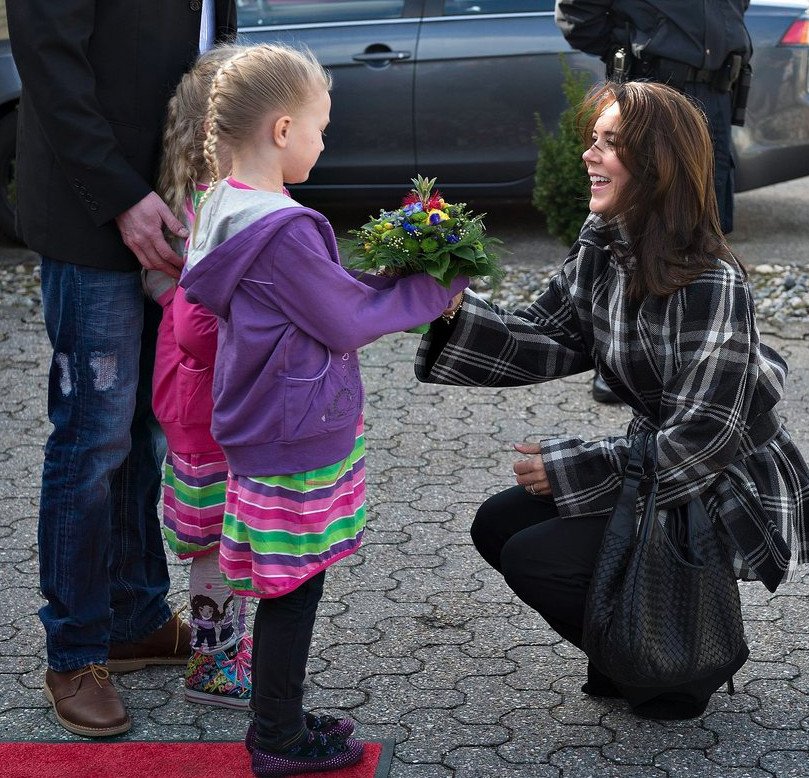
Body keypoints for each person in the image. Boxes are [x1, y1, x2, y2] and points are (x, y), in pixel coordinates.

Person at [415, 80, 809, 720]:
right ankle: (634, 652)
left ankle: (683, 664)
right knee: (497, 524)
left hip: (715, 478)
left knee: (535, 556)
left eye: (610, 143)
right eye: (594, 139)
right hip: (658, 460)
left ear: (657, 164)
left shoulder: (711, 280)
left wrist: (572, 467)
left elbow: (702, 442)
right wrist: (449, 308)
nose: (589, 154)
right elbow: (550, 335)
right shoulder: (605, 239)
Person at [179, 44, 468, 775]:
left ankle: (278, 715)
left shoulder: (222, 205)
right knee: (294, 588)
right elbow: (342, 319)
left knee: (287, 583)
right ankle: (277, 736)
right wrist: (433, 289)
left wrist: (386, 276)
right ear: (282, 130)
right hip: (294, 432)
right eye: (320, 127)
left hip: (259, 425)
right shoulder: (285, 227)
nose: (323, 141)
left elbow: (309, 295)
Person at [6, 0, 237, 738]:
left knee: (150, 425)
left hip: (181, 207)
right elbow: (51, 65)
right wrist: (122, 197)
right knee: (94, 435)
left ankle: (134, 620)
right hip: (94, 214)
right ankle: (75, 653)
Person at [555, 0, 753, 404]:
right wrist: (637, 48)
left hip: (713, 97)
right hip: (652, 94)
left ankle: (701, 354)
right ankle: (621, 361)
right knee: (636, 228)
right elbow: (577, 13)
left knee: (700, 230)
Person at [148, 44, 252, 710]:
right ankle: (214, 664)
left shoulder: (197, 196)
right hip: (206, 391)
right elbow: (180, 298)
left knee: (223, 525)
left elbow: (161, 284)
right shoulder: (214, 206)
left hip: (201, 388)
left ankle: (224, 652)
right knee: (217, 530)